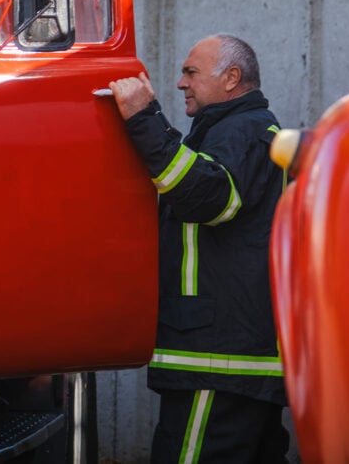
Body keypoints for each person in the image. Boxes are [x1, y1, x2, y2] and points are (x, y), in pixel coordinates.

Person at [108, 33, 289, 464]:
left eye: (190, 72)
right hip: (232, 356)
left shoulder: (242, 130)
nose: (180, 83)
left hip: (218, 358)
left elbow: (208, 198)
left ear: (231, 78)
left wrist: (145, 119)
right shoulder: (231, 131)